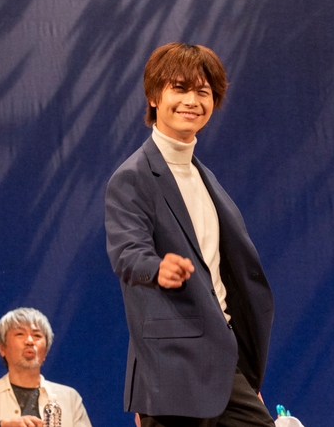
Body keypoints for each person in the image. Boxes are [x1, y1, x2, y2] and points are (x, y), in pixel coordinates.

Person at [105, 42, 275, 426]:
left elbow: (224, 279)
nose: (192, 101)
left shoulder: (204, 178)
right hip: (172, 371)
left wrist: (242, 377)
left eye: (203, 91)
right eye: (179, 88)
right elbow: (127, 252)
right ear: (154, 97)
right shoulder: (133, 177)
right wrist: (157, 268)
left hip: (223, 366)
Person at [0, 307, 92, 427]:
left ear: (45, 352)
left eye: (37, 336)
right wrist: (1, 426)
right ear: (2, 348)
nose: (30, 341)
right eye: (20, 334)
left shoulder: (69, 398)